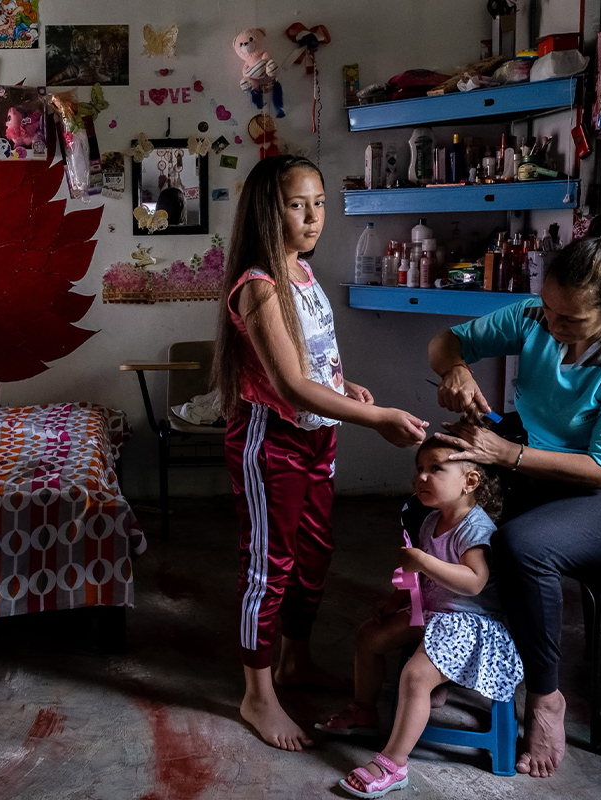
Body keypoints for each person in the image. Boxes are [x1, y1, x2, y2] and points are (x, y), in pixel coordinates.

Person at [426, 211, 601, 777]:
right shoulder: (538, 317)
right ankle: (447, 658)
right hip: (541, 472)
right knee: (440, 502)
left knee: (524, 546)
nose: (553, 326)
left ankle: (544, 698)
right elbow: (446, 340)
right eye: (550, 310)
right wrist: (456, 370)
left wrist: (503, 454)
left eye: (572, 320)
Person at [212, 154, 429, 751]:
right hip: (271, 440)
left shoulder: (301, 274)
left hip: (315, 435)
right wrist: (378, 416)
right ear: (268, 210)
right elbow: (287, 386)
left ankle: (293, 662)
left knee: (314, 554)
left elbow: (313, 364)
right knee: (269, 564)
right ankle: (257, 695)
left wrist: (346, 386)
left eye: (320, 203)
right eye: (296, 204)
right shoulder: (258, 286)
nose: (312, 218)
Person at [317, 437, 522, 798]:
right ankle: (364, 710)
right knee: (369, 636)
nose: (422, 478)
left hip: (469, 624)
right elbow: (419, 576)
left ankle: (394, 764)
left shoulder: (475, 529)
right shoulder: (431, 521)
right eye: (420, 469)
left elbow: (474, 583)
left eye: (436, 469)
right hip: (431, 612)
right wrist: (396, 597)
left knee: (414, 676)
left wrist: (424, 560)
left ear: (470, 482)